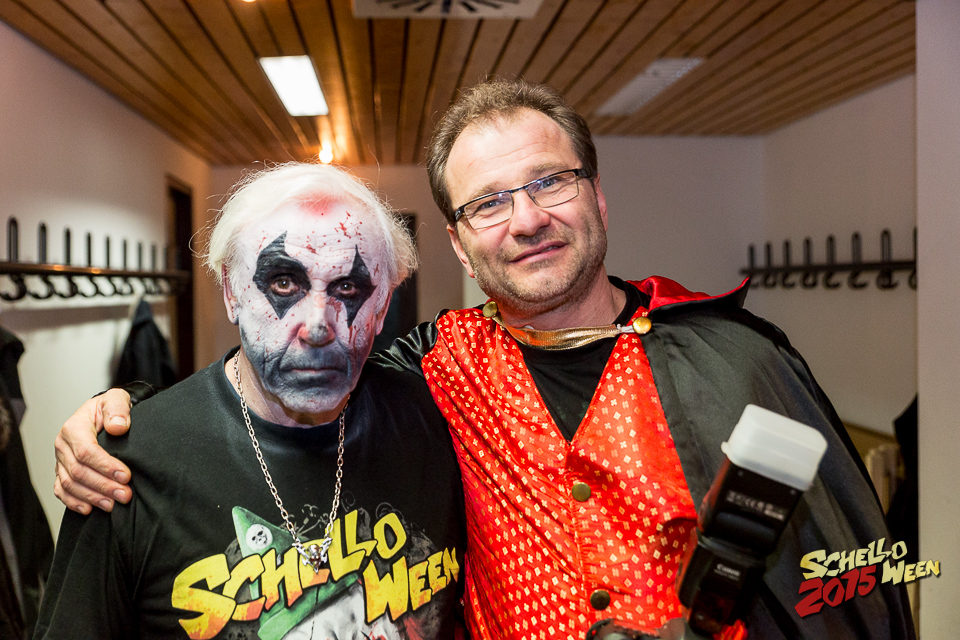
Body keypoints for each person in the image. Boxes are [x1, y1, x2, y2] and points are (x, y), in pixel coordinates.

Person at [53, 79, 914, 639]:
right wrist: (124, 413)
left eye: (550, 181)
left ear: (596, 195)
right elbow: (290, 370)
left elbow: (848, 585)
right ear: (462, 246)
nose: (527, 219)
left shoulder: (740, 362)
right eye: (490, 202)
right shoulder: (436, 364)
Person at [36, 164, 467, 639]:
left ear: (383, 304)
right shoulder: (123, 467)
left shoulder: (446, 419)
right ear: (231, 291)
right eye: (283, 283)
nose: (317, 326)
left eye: (347, 288)